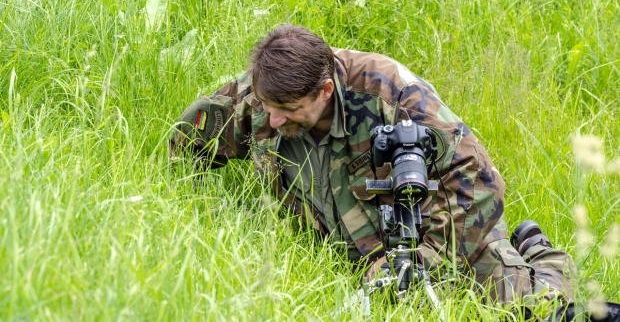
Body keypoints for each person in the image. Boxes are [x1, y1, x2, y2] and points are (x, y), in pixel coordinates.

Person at [169, 24, 575, 305]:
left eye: (289, 111)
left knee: (538, 311)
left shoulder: (393, 94)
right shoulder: (261, 94)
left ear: (325, 90)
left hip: (425, 240)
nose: (273, 120)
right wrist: (209, 218)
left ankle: (538, 252)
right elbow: (184, 146)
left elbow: (479, 186)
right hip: (343, 258)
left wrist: (418, 262)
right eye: (267, 107)